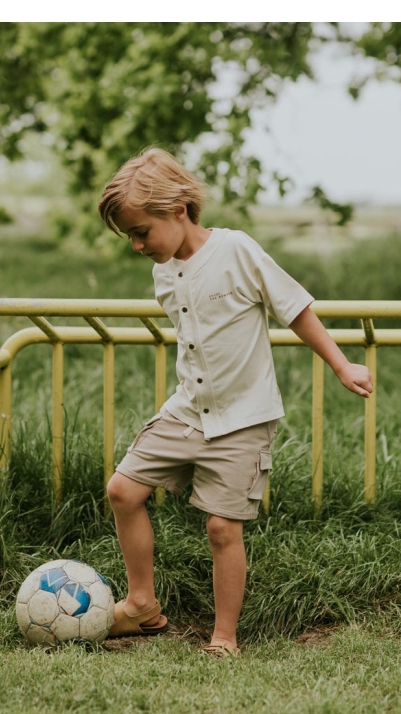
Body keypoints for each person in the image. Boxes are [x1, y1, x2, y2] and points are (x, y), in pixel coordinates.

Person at [97, 147, 374, 657]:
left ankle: (224, 638)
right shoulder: (163, 272)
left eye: (141, 231)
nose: (137, 245)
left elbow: (295, 307)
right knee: (122, 490)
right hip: (187, 411)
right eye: (130, 236)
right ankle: (142, 605)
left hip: (244, 420)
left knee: (223, 528)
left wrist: (342, 364)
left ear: (178, 210)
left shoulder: (237, 251)